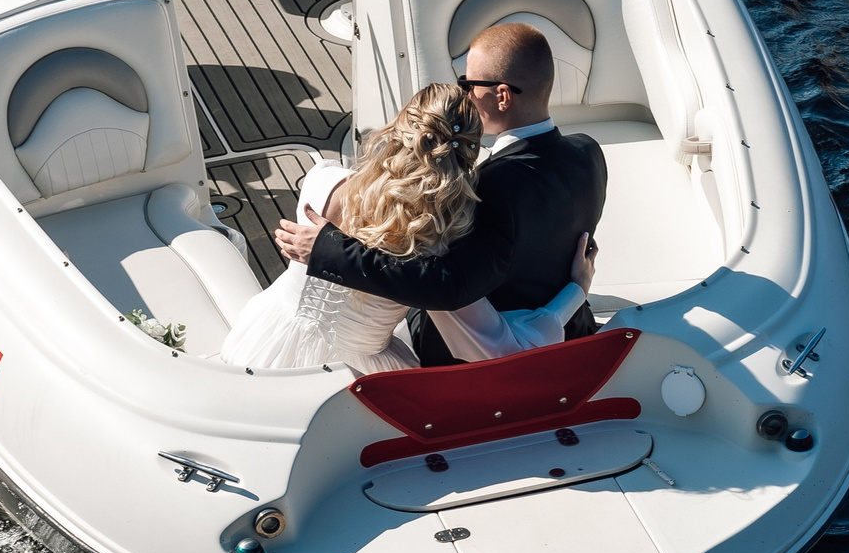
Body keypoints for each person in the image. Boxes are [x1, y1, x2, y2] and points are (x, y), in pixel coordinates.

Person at [275, 22, 608, 367]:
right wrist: (577, 290)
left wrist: (331, 251)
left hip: (485, 358)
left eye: (469, 84)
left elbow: (448, 285)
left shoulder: (487, 190)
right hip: (572, 330)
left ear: (503, 96)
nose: (465, 94)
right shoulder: (588, 152)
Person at [220, 84, 595, 374]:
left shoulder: (323, 183)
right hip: (360, 373)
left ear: (400, 129)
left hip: (269, 335)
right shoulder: (437, 249)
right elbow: (503, 349)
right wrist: (575, 291)